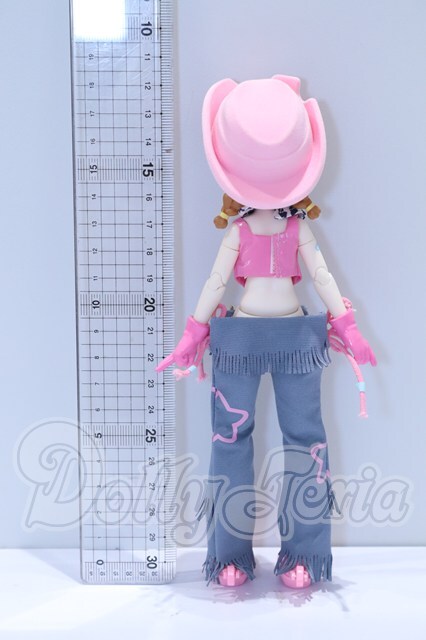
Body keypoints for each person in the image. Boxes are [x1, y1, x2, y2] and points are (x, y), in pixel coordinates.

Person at [156, 75, 376, 589]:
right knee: (234, 440)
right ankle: (230, 555)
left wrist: (347, 326)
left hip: (294, 340)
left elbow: (320, 278)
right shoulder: (244, 231)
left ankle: (302, 555)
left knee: (301, 440)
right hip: (242, 341)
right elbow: (219, 283)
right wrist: (192, 334)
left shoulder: (294, 229)